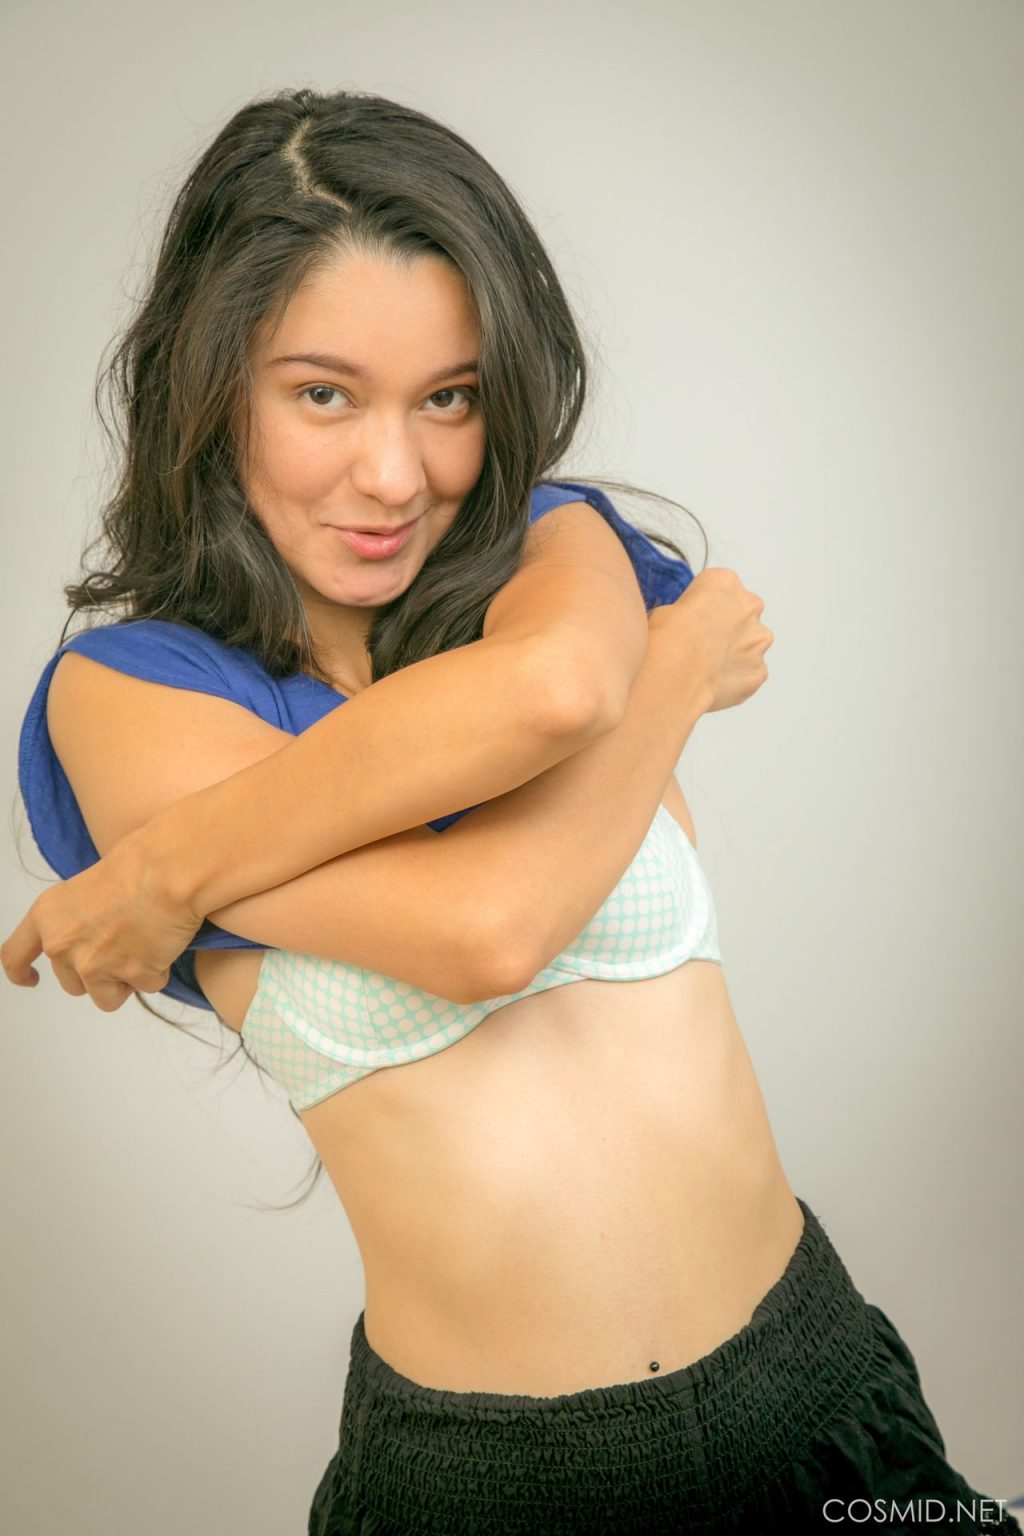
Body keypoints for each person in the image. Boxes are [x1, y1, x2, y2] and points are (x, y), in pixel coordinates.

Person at [3, 88, 1016, 1536]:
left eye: (450, 397)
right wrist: (671, 674)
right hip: (489, 1493)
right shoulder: (128, 696)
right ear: (211, 387)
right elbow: (489, 930)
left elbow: (552, 686)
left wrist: (169, 869)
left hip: (820, 1392)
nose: (394, 475)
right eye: (324, 394)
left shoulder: (552, 541)